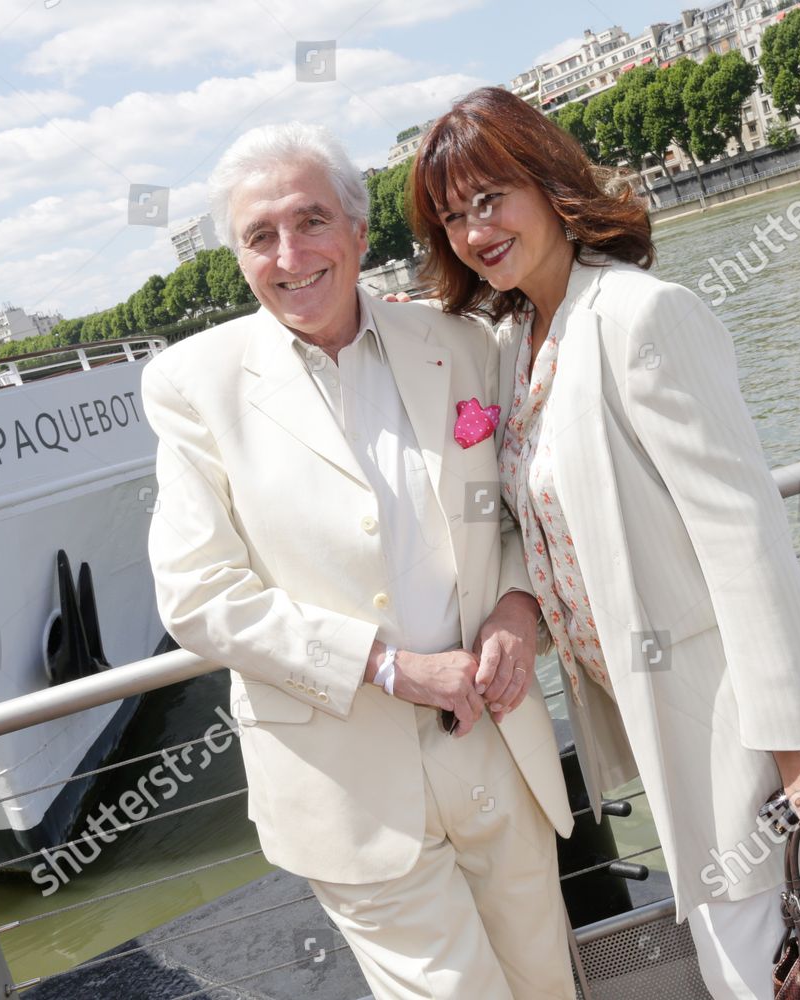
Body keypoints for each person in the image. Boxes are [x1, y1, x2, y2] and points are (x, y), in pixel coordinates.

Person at [406, 88, 800, 1000]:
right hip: (655, 714)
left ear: (547, 182)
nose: (474, 231)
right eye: (452, 216)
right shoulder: (518, 341)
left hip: (729, 712)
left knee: (757, 961)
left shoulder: (643, 317)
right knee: (762, 960)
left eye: (492, 197)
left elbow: (746, 538)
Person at [142, 121, 577, 1000]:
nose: (289, 253)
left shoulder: (461, 342)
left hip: (494, 739)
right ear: (239, 257)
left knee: (546, 983)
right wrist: (386, 666)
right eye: (260, 237)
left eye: (310, 222)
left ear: (357, 229)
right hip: (344, 784)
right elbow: (197, 594)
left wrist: (519, 610)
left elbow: (522, 514)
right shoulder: (192, 384)